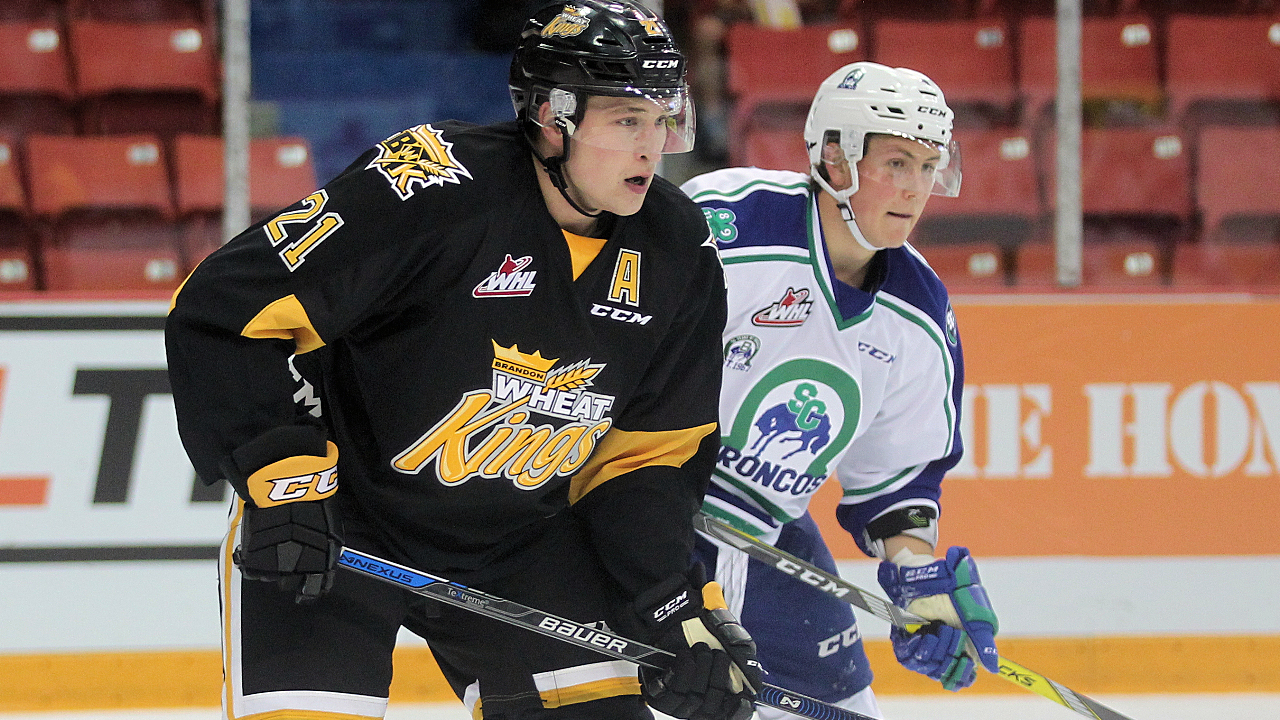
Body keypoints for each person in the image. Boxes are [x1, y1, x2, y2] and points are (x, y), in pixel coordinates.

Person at [165, 2, 761, 719]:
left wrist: (671, 607)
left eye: (662, 120)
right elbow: (226, 309)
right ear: (551, 118)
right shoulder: (433, 188)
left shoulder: (676, 248)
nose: (651, 147)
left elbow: (646, 461)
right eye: (627, 120)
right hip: (342, 519)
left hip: (523, 541)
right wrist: (283, 480)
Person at [679, 61, 1000, 719]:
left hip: (763, 533)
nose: (914, 188)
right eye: (896, 163)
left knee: (845, 707)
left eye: (927, 165)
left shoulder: (918, 311)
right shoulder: (730, 224)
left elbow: (895, 481)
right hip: (638, 519)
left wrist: (915, 574)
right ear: (834, 158)